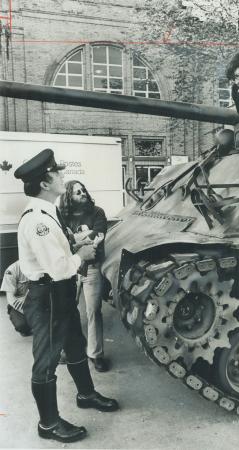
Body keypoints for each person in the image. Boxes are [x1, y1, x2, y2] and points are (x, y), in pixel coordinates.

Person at [14, 149, 119, 444]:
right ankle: (48, 424)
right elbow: (59, 268)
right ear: (45, 183)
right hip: (49, 293)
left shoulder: (47, 212)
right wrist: (81, 254)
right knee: (46, 360)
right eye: (57, 174)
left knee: (74, 344)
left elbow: (56, 249)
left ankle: (86, 395)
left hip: (58, 292)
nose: (62, 177)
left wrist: (74, 240)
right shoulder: (39, 220)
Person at [58, 180, 109, 372]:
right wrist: (83, 240)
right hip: (70, 268)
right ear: (69, 197)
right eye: (77, 192)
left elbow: (98, 235)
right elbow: (62, 241)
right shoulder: (62, 215)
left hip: (92, 268)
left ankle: (95, 354)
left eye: (84, 190)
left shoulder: (98, 212)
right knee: (67, 310)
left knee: (93, 311)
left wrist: (74, 240)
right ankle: (69, 350)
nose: (83, 193)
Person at [1, 260, 31, 336]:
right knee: (21, 325)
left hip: (34, 301)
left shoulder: (39, 266)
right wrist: (29, 313)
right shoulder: (12, 270)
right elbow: (11, 299)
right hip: (19, 306)